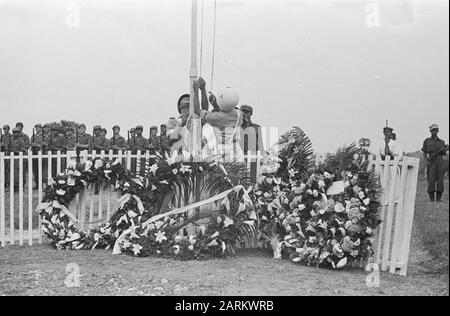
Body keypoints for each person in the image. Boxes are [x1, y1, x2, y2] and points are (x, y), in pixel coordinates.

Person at [193, 77, 244, 162]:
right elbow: (225, 111)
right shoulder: (239, 114)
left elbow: (198, 110)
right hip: (237, 155)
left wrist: (197, 91)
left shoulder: (215, 118)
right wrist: (215, 104)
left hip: (223, 157)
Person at [422, 124, 449, 202]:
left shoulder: (441, 142)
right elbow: (424, 152)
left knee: (440, 180)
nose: (434, 131)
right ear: (430, 131)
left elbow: (444, 152)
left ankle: (438, 198)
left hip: (440, 161)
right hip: (431, 161)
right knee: (431, 180)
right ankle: (431, 199)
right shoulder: (427, 141)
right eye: (433, 130)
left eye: (436, 130)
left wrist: (445, 149)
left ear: (438, 131)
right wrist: (426, 161)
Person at [240, 105, 265, 181]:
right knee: (240, 181)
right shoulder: (236, 128)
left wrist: (264, 159)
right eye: (242, 112)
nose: (244, 114)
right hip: (240, 157)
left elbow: (260, 144)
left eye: (246, 112)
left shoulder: (256, 128)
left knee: (253, 180)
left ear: (251, 114)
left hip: (253, 158)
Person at [31, 124, 45, 189]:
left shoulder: (43, 136)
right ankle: (37, 184)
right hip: (34, 154)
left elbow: (44, 145)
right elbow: (30, 144)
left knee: (41, 170)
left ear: (41, 128)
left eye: (38, 128)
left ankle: (41, 184)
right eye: (36, 128)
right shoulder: (33, 136)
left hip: (41, 153)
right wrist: (32, 145)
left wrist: (37, 145)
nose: (37, 129)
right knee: (35, 170)